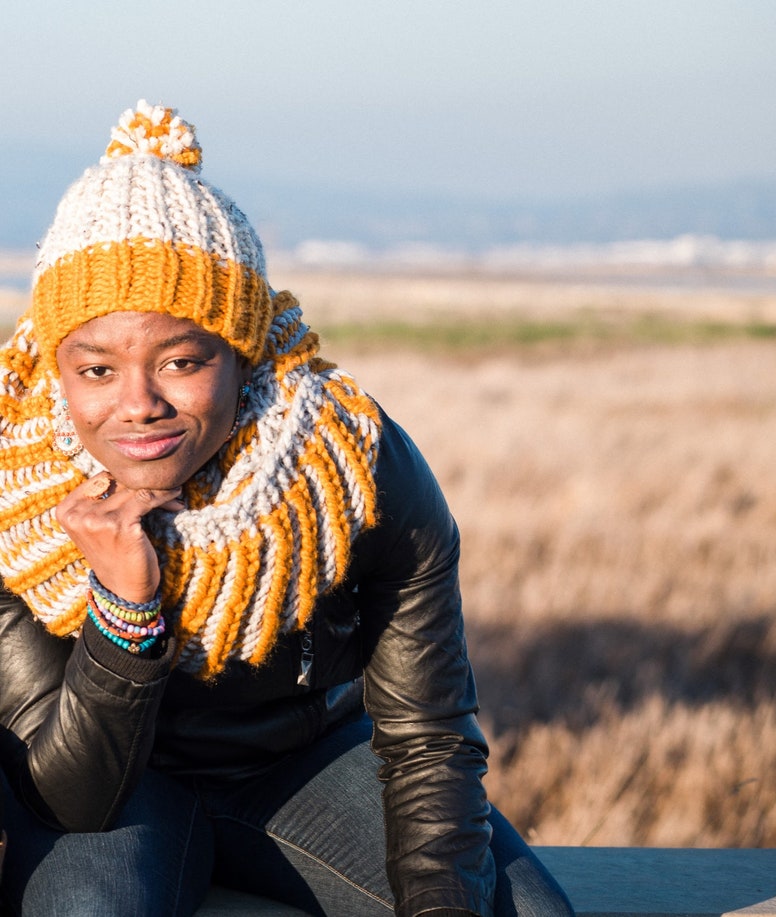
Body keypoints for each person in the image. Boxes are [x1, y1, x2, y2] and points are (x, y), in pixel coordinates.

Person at [0, 101, 573, 917]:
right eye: (95, 369)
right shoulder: (11, 499)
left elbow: (428, 735)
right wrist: (124, 609)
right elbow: (73, 797)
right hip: (119, 791)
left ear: (245, 351)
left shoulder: (347, 469)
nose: (138, 404)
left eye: (182, 360)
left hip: (306, 769)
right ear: (56, 365)